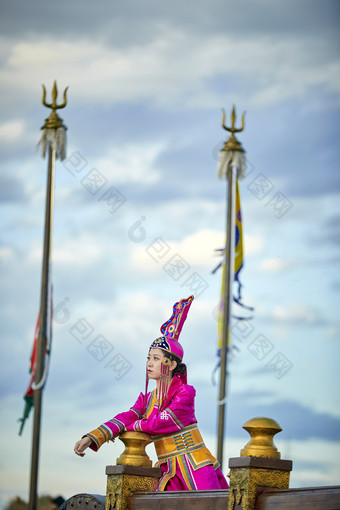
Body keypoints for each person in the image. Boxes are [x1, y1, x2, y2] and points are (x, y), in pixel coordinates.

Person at [74, 295, 228, 491]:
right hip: (168, 471)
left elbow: (162, 423)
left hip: (195, 469)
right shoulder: (147, 400)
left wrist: (135, 424)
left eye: (156, 358)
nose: (149, 363)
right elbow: (125, 417)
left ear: (172, 364)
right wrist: (93, 437)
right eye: (148, 358)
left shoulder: (185, 393)